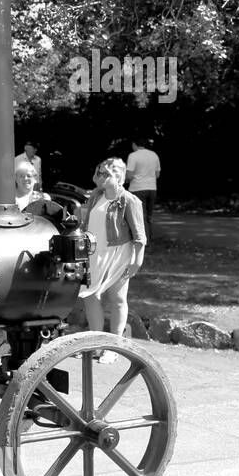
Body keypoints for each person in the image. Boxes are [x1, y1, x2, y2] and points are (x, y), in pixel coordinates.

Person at [78, 158, 147, 363]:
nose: (102, 175)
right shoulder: (96, 195)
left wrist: (137, 260)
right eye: (100, 172)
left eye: (108, 172)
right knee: (90, 296)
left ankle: (113, 347)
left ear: (120, 176)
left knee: (117, 299)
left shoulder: (129, 200)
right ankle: (95, 344)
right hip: (94, 252)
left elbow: (139, 235)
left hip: (118, 254)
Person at [125, 138, 161, 241]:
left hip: (137, 188)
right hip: (152, 188)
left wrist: (126, 181)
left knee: (139, 215)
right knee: (149, 215)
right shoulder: (154, 155)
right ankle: (150, 238)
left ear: (134, 144)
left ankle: (143, 241)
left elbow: (129, 175)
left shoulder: (133, 156)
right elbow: (157, 174)